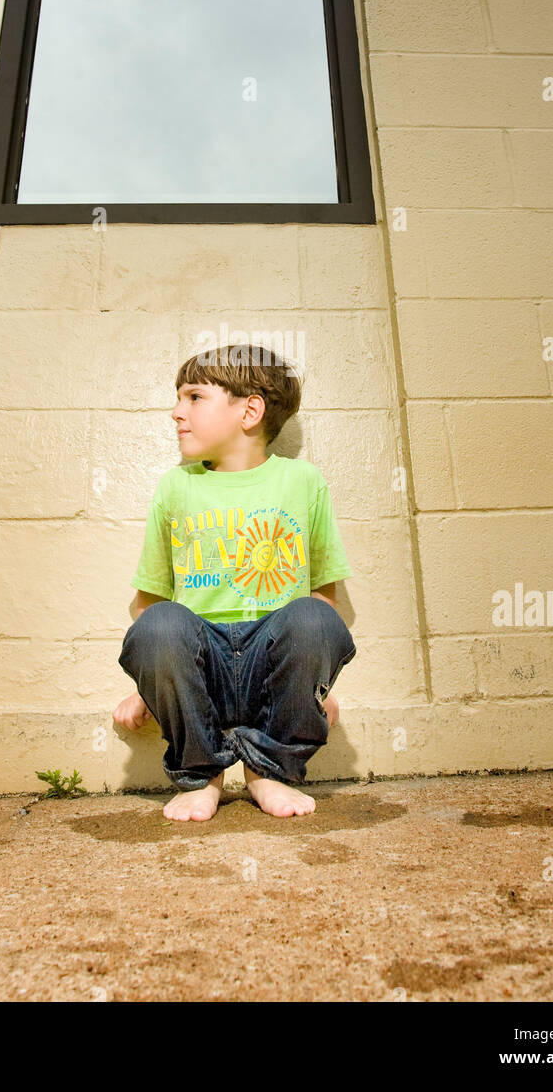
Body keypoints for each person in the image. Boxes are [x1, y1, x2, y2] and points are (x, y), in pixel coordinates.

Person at [113, 344, 357, 822]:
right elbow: (150, 603)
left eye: (194, 397)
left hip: (272, 661)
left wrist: (314, 688)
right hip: (202, 664)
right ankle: (200, 774)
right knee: (161, 625)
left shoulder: (303, 482)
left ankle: (270, 770)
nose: (176, 412)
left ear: (250, 410)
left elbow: (322, 597)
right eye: (178, 399)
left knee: (313, 618)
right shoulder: (176, 487)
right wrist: (152, 685)